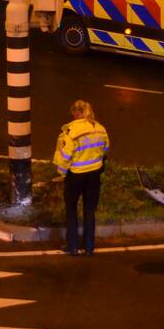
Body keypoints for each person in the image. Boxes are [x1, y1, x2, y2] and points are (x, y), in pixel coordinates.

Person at [53, 100, 110, 256]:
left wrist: (63, 173)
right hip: (94, 175)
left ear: (76, 112)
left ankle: (73, 246)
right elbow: (105, 149)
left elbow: (65, 156)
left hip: (76, 175)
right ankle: (89, 247)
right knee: (89, 210)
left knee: (71, 210)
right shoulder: (100, 128)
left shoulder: (71, 131)